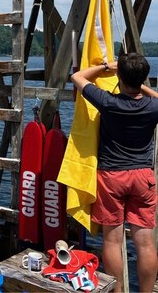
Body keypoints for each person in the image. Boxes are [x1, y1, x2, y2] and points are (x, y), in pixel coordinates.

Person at [71, 53, 158, 293]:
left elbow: (77, 76)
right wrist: (137, 82)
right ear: (143, 78)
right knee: (146, 242)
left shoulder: (109, 103)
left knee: (112, 240)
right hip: (143, 177)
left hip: (112, 177)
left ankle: (117, 291)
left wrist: (105, 67)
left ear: (119, 76)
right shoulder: (152, 107)